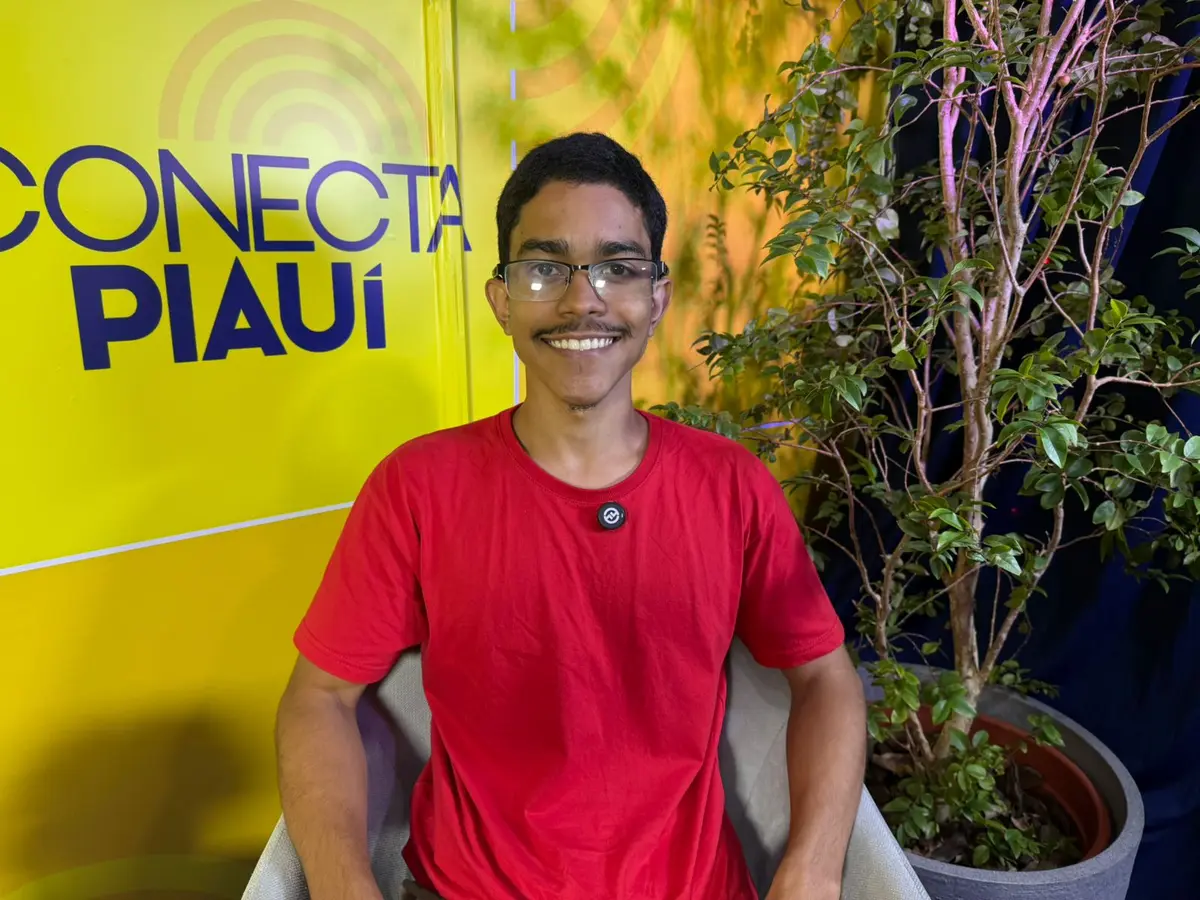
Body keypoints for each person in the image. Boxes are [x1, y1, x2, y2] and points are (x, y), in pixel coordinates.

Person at [275, 132, 867, 900]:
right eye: (545, 268)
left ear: (657, 298)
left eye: (617, 267)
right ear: (502, 299)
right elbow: (318, 698)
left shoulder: (733, 486)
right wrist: (341, 883)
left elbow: (826, 678)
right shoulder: (416, 487)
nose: (582, 299)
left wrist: (814, 868)